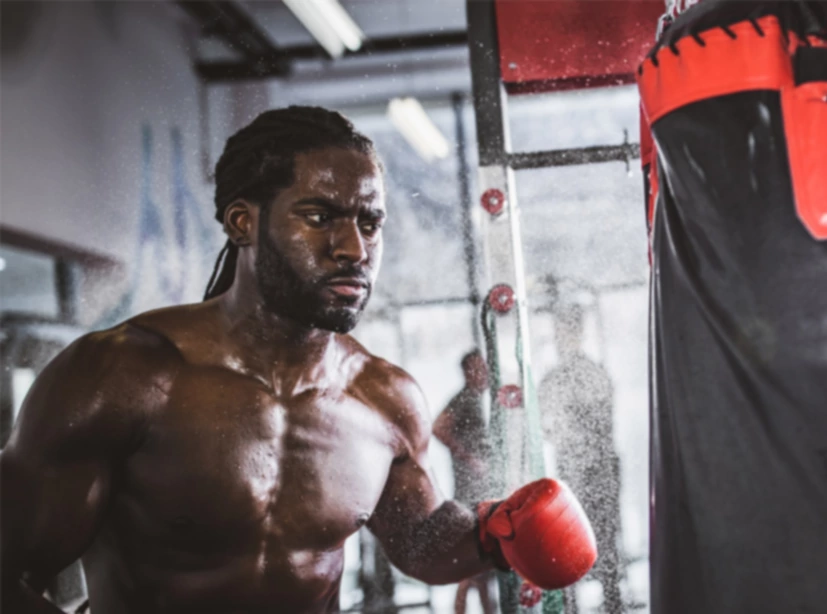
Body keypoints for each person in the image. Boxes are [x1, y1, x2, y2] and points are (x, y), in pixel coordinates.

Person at [0, 106, 595, 614]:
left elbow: (418, 539)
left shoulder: (383, 398)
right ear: (243, 222)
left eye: (370, 222)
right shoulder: (123, 377)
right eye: (319, 217)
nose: (354, 249)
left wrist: (495, 533)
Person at [539, 305, 623, 614]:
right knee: (576, 543)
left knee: (598, 542)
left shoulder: (584, 374)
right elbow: (545, 427)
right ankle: (592, 605)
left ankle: (607, 603)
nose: (564, 337)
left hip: (592, 471)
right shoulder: (579, 375)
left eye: (568, 330)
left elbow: (552, 427)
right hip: (578, 473)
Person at [433, 350, 496, 614]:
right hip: (471, 492)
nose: (484, 374)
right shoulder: (464, 399)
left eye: (485, 368)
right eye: (478, 369)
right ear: (467, 372)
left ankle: (488, 610)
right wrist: (469, 459)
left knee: (481, 563)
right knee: (473, 561)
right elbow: (438, 427)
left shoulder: (479, 400)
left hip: (481, 489)